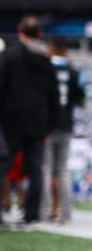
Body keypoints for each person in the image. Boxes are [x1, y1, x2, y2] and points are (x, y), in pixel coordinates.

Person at [0, 15, 59, 228]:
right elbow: (54, 97)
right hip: (38, 123)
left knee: (4, 166)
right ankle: (32, 214)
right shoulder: (46, 59)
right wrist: (49, 127)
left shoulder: (9, 55)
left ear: (20, 31)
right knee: (35, 170)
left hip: (10, 120)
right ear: (40, 34)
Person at [40, 36, 85, 224]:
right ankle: (66, 214)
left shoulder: (44, 69)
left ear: (51, 48)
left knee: (45, 170)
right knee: (63, 170)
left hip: (46, 126)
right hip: (66, 125)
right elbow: (81, 100)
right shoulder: (74, 72)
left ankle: (42, 213)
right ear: (66, 50)